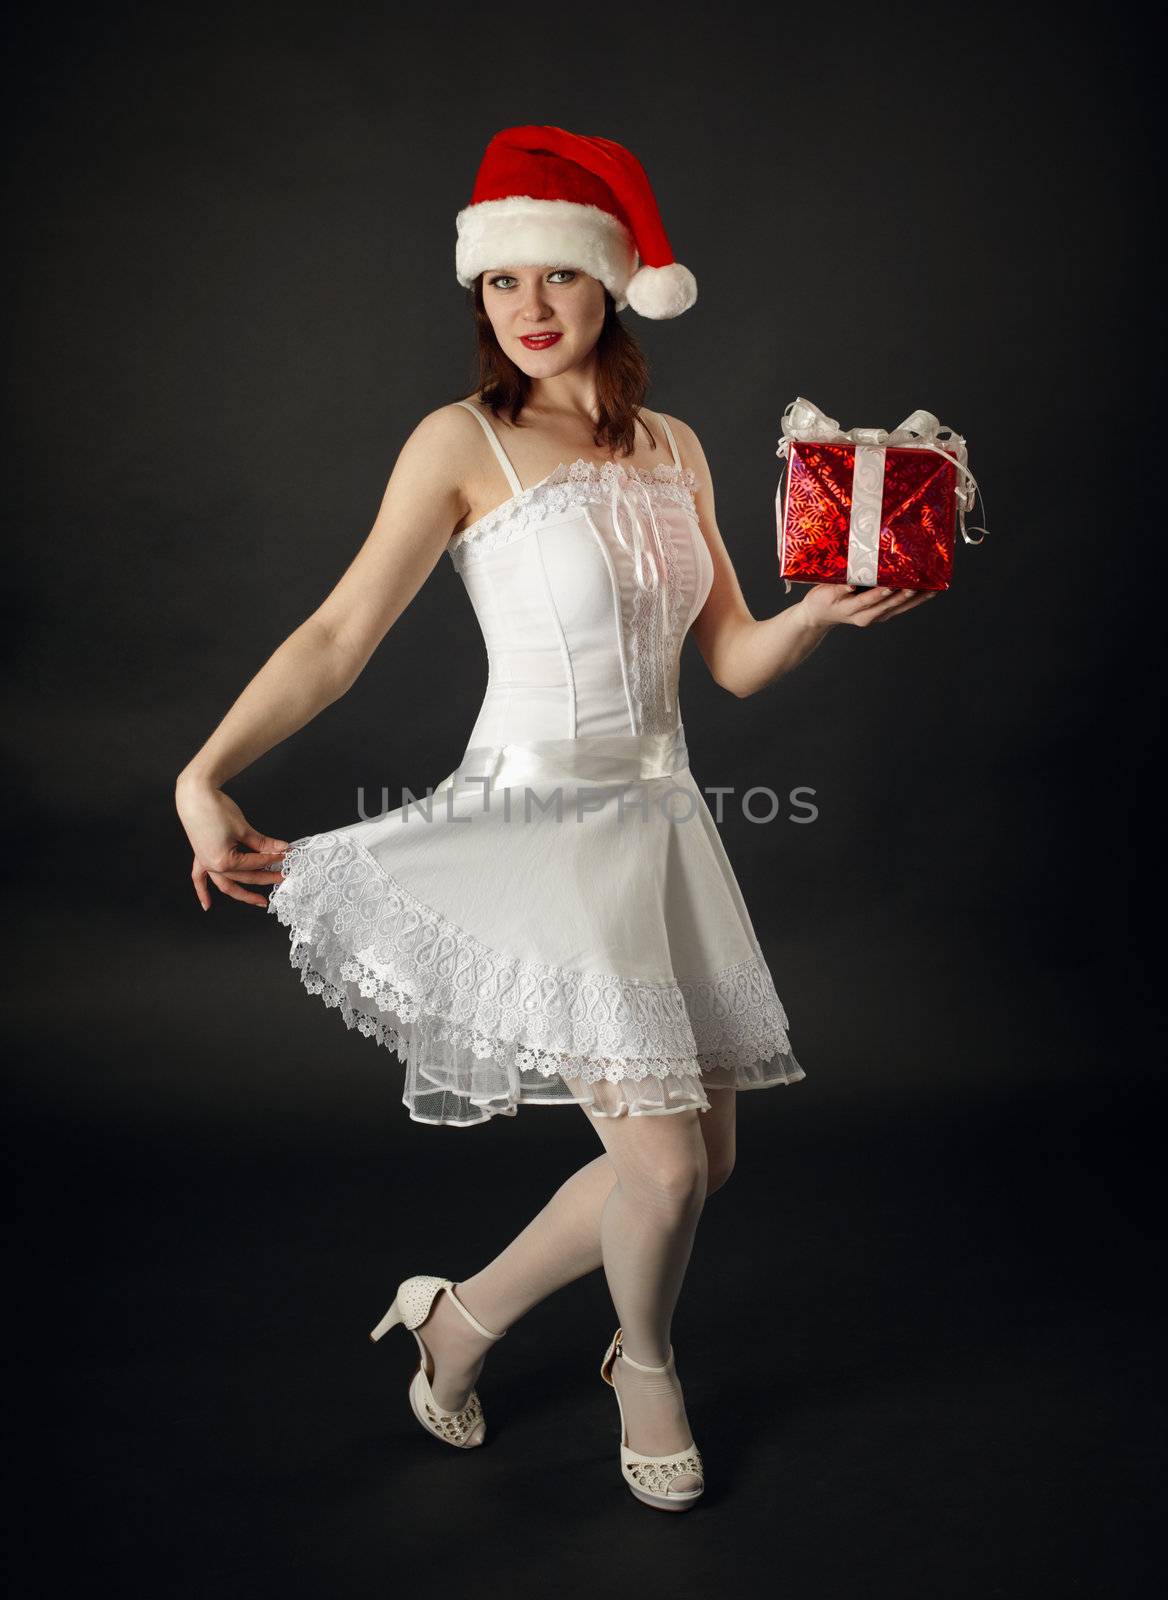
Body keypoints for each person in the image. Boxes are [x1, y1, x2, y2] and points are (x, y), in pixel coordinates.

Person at [174, 124, 937, 1513]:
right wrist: (202, 768)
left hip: (655, 821)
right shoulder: (461, 443)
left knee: (698, 1156)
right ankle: (644, 1365)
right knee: (656, 1160)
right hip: (532, 824)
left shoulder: (677, 449)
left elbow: (731, 663)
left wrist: (819, 611)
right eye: (500, 281)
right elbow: (342, 633)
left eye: (558, 278)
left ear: (614, 285)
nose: (527, 309)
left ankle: (455, 1321)